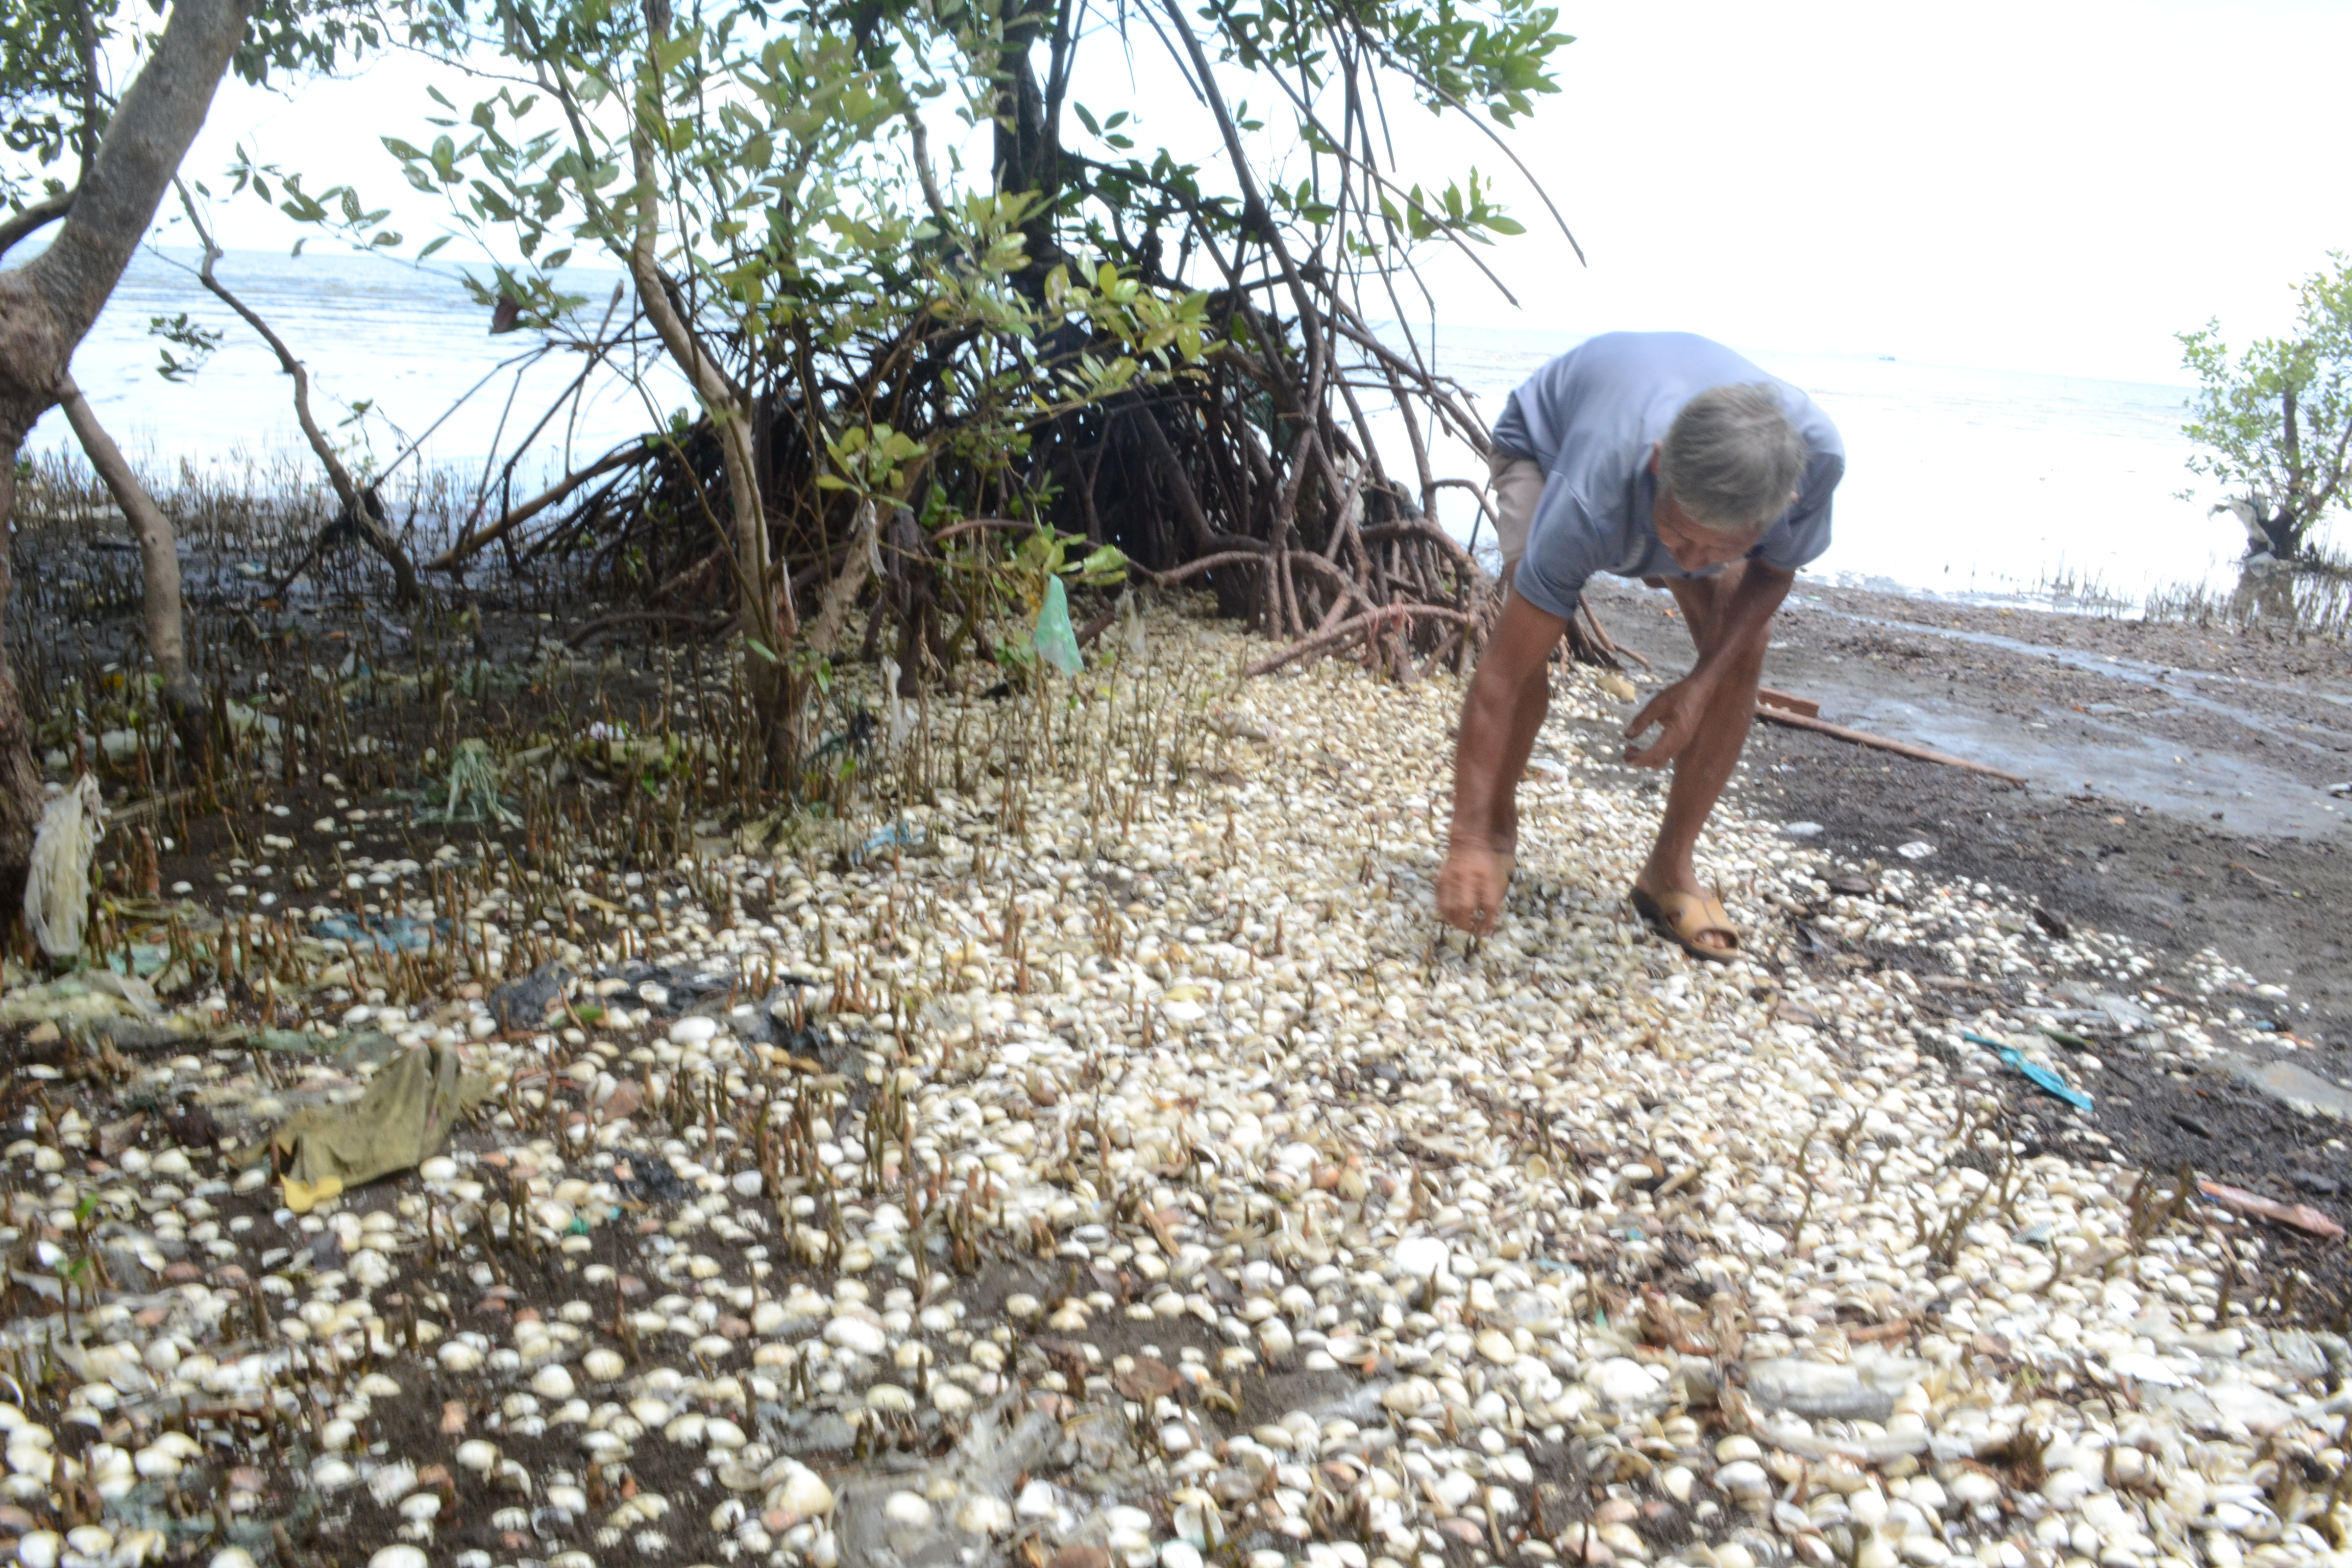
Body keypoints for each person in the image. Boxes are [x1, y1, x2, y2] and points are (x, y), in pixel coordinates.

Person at [1435, 331, 1845, 960]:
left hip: (1677, 468)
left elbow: (1773, 569)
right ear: (1658, 466)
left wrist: (1701, 682)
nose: (1684, 564)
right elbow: (1499, 676)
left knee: (1741, 652)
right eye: (1677, 537)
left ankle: (1670, 869)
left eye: (1717, 549)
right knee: (1531, 645)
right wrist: (1461, 836)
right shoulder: (1586, 496)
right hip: (1543, 447)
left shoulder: (1814, 463)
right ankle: (1491, 826)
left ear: (1779, 512)